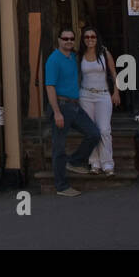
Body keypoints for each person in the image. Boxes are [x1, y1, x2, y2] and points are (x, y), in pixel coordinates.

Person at [45, 27, 101, 196]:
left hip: (75, 106)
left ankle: (75, 161)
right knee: (59, 148)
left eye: (71, 39)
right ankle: (61, 187)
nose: (68, 41)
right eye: (65, 39)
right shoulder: (53, 60)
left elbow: (90, 54)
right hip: (61, 106)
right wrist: (56, 112)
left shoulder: (73, 57)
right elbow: (50, 87)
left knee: (94, 133)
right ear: (59, 40)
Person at [78, 28, 121, 175]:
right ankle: (94, 163)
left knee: (104, 130)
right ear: (83, 39)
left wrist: (116, 91)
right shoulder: (80, 56)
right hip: (85, 96)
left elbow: (114, 73)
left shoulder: (104, 53)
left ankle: (108, 163)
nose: (90, 39)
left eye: (93, 36)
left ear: (97, 38)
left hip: (103, 95)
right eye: (87, 37)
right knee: (92, 131)